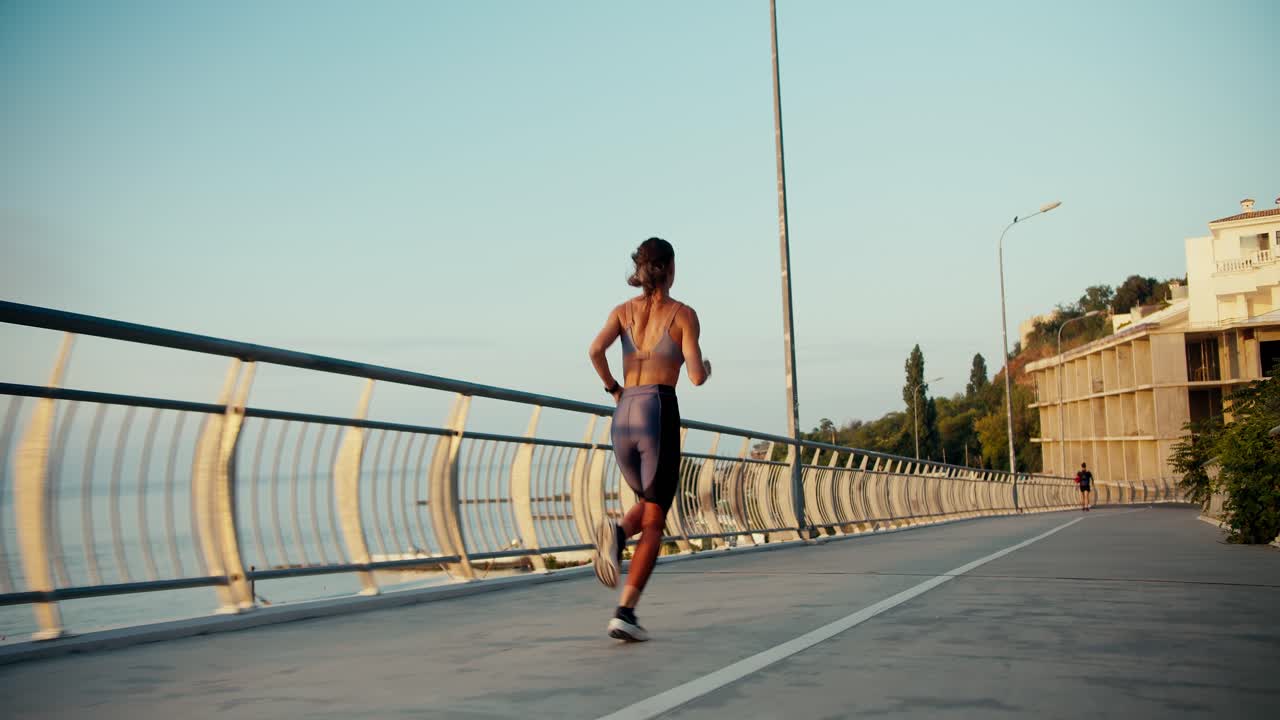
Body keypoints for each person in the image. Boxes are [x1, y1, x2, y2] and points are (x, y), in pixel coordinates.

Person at [587, 237, 711, 642]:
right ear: (671, 269)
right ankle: (625, 611)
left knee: (650, 506)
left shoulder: (621, 312)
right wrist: (705, 366)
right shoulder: (683, 315)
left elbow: (594, 351)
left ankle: (619, 534)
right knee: (656, 520)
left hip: (624, 415)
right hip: (658, 411)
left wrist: (614, 389)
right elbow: (694, 376)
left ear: (640, 271)